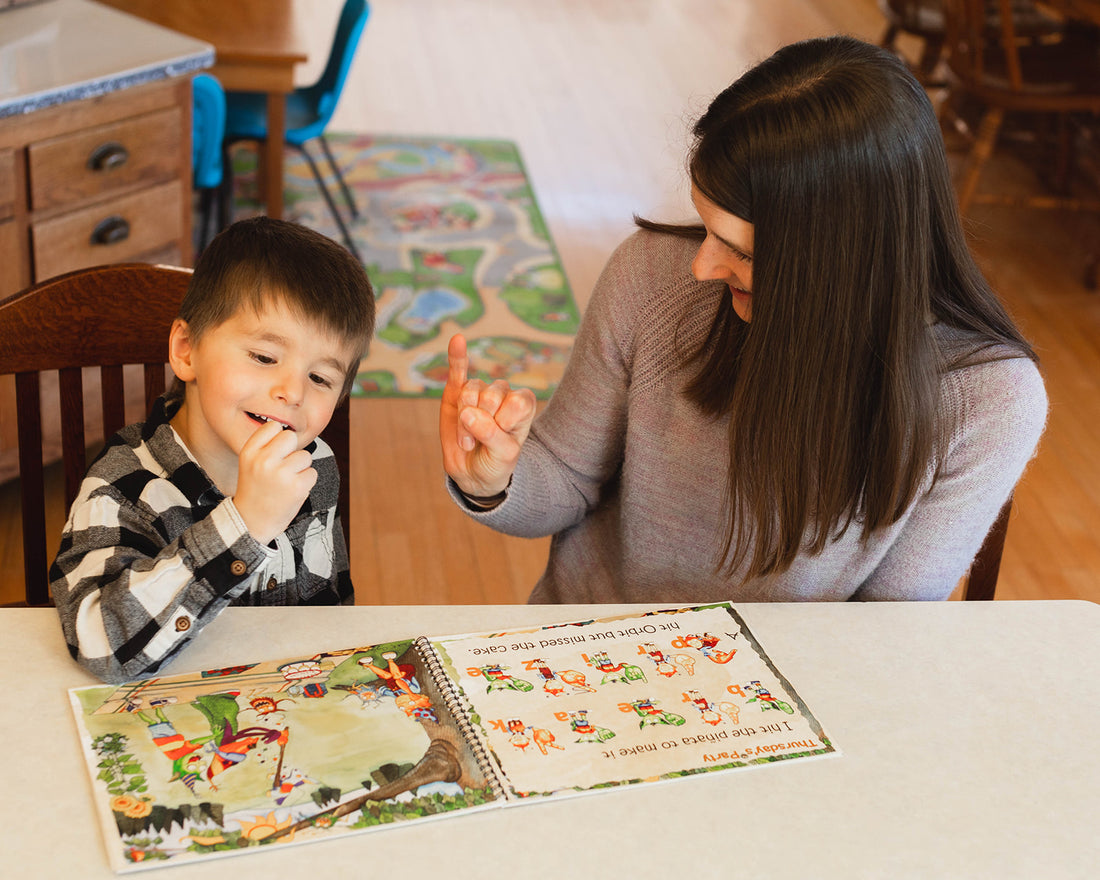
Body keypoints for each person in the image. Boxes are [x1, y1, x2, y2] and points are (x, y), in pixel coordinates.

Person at [439, 35, 1048, 604]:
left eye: (744, 252)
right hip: (586, 647)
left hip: (787, 698)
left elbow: (884, 636)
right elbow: (567, 480)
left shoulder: (987, 399)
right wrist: (493, 480)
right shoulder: (650, 275)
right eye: (707, 228)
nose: (702, 267)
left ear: (845, 262)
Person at [52, 217, 375, 682]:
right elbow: (100, 646)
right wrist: (246, 523)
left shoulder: (315, 464)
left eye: (320, 378)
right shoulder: (121, 490)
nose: (293, 392)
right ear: (186, 351)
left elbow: (332, 611)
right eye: (265, 357)